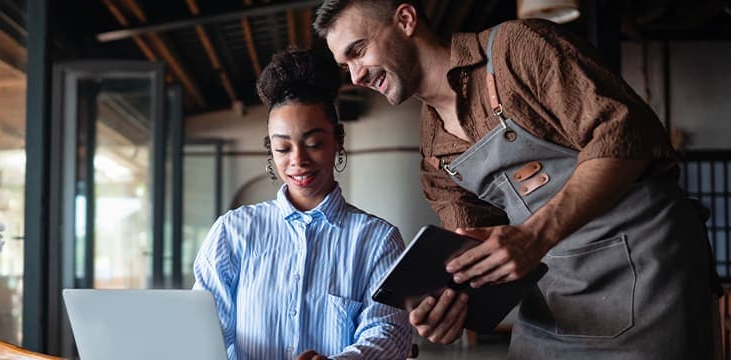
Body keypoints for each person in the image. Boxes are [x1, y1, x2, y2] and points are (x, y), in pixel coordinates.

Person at [314, 1, 720, 358]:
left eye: (358, 51)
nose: (355, 76)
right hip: (557, 302)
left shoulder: (515, 49)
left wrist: (535, 236)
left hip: (650, 276)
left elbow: (623, 135)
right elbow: (472, 252)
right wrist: (449, 307)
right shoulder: (433, 147)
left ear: (405, 19)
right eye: (344, 65)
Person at [192, 48, 411, 360]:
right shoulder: (233, 231)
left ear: (339, 139)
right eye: (282, 148)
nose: (298, 161)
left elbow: (389, 331)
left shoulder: (377, 240)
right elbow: (205, 331)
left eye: (313, 143)